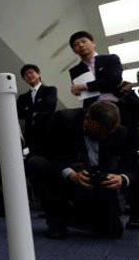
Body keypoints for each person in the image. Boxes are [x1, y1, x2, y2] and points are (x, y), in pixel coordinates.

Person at [42, 101, 135, 239]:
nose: (104, 137)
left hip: (101, 185)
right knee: (37, 163)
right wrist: (71, 174)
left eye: (108, 133)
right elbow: (49, 155)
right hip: (67, 180)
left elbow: (132, 166)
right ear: (87, 120)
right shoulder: (64, 120)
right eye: (101, 132)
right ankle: (57, 218)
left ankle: (72, 217)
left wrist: (122, 178)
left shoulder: (120, 132)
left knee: (114, 231)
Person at [68, 31, 122, 109]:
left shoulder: (110, 59)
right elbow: (81, 93)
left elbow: (115, 79)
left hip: (116, 103)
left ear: (93, 43)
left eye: (84, 41)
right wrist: (76, 92)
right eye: (76, 45)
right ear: (74, 51)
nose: (81, 45)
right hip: (93, 108)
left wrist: (85, 86)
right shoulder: (75, 70)